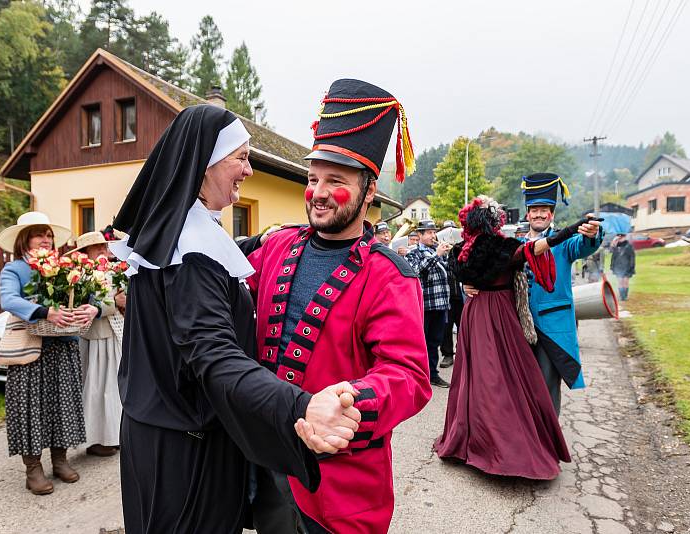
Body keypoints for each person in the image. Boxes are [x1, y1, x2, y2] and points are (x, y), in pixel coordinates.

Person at [109, 104, 361, 533]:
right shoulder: (190, 254)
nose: (248, 170)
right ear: (206, 162)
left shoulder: (180, 235)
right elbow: (215, 355)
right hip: (188, 447)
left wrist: (259, 239)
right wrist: (301, 406)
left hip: (158, 431)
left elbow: (216, 265)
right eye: (241, 158)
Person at [245, 79, 431, 533]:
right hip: (265, 459)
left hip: (340, 474)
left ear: (369, 192)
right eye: (312, 179)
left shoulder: (389, 275)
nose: (319, 192)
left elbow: (409, 375)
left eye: (336, 181)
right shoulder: (276, 246)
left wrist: (353, 401)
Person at [434, 195, 591, 479]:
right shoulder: (503, 246)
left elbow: (459, 271)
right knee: (506, 380)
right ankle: (503, 449)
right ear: (494, 222)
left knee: (476, 379)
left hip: (473, 316)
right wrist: (569, 230)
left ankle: (472, 441)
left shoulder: (462, 249)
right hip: (499, 317)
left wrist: (466, 282)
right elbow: (536, 249)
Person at [0, 212, 91, 495]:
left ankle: (60, 461)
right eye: (40, 234)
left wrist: (93, 307)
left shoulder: (65, 267)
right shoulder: (14, 270)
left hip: (62, 345)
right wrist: (45, 311)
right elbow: (9, 299)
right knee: (31, 408)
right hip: (30, 349)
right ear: (25, 240)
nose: (47, 240)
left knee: (62, 403)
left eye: (49, 235)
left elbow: (89, 295)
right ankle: (33, 469)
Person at [518, 172, 602, 414]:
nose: (539, 214)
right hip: (520, 327)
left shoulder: (564, 242)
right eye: (535, 209)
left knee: (546, 388)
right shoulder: (517, 243)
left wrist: (592, 234)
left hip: (550, 327)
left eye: (545, 209)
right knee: (521, 387)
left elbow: (584, 245)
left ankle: (548, 444)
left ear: (552, 214)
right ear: (528, 214)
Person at [69, 231, 124, 457]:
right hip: (96, 337)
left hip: (116, 334)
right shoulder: (80, 276)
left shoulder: (111, 270)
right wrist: (115, 302)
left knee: (115, 387)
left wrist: (123, 300)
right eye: (97, 248)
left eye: (104, 246)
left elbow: (121, 297)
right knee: (98, 389)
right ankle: (96, 439)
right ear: (85, 253)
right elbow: (90, 305)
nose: (103, 251)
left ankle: (115, 434)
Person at [406, 219, 452, 387]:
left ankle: (432, 374)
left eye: (434, 232)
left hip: (440, 304)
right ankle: (418, 375)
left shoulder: (437, 251)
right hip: (424, 306)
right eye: (430, 232)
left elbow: (448, 272)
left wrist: (448, 257)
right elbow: (416, 271)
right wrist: (437, 255)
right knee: (421, 342)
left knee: (435, 341)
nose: (434, 235)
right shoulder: (414, 252)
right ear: (420, 235)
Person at [439, 221, 462, 368]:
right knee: (446, 328)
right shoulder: (438, 250)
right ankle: (448, 355)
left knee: (463, 326)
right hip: (446, 297)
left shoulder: (460, 249)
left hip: (460, 295)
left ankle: (461, 353)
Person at [610, 233, 635, 300]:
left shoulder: (629, 246)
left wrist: (631, 267)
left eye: (622, 237)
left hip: (627, 267)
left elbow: (632, 257)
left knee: (625, 282)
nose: (620, 238)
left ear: (625, 237)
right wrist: (614, 241)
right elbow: (613, 256)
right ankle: (621, 296)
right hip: (618, 267)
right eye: (619, 237)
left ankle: (625, 296)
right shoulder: (616, 246)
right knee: (620, 281)